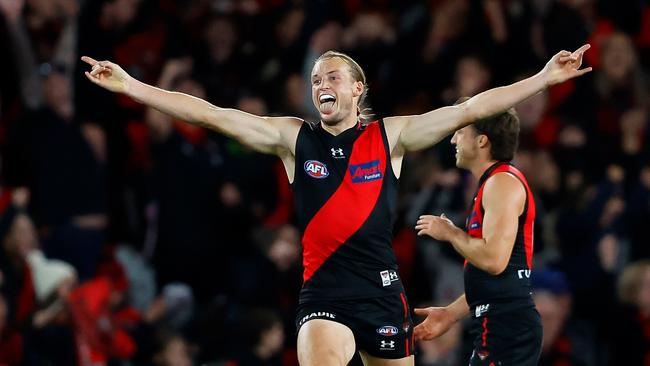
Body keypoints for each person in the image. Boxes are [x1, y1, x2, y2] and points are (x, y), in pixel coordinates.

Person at [82, 45, 591, 365]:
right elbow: (212, 115)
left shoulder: (390, 136)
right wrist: (132, 86)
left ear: (357, 89)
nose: (321, 85)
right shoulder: (292, 139)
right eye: (315, 80)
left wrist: (543, 79)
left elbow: (471, 108)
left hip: (383, 295)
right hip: (323, 293)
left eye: (331, 77)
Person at [413, 105, 541, 365]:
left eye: (460, 132)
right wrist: (450, 314)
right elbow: (494, 279)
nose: (453, 140)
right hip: (497, 322)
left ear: (482, 141)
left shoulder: (502, 183)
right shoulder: (492, 183)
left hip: (507, 326)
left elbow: (494, 261)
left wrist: (450, 233)